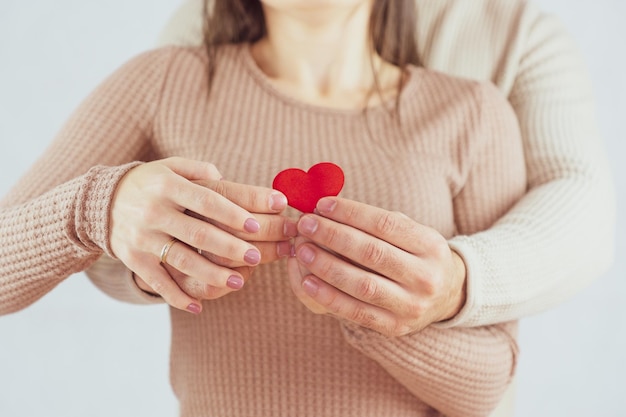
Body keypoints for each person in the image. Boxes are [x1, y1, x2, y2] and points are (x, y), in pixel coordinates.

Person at [0, 1, 613, 417]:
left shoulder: (472, 114)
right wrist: (96, 208)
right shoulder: (163, 84)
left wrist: (368, 309)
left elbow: (489, 381)